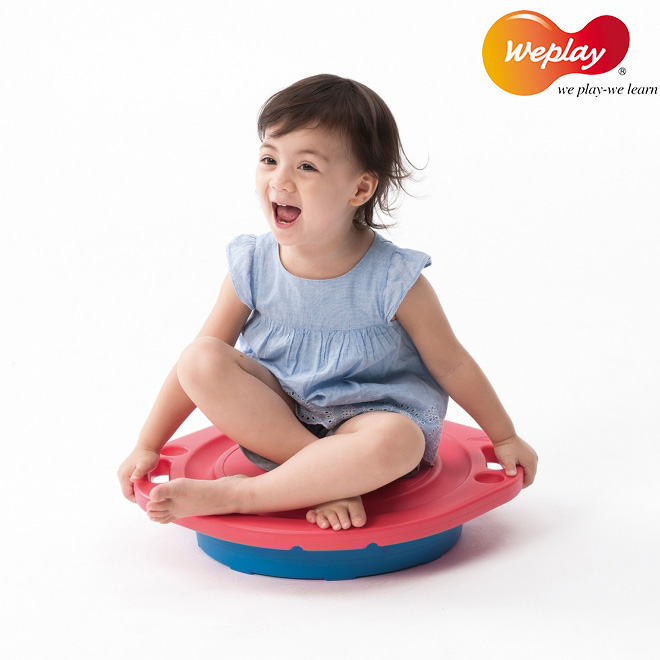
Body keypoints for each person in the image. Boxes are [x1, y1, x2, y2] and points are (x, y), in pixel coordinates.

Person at [117, 74, 538, 531]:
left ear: (359, 190)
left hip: (370, 421)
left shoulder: (395, 279)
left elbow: (452, 364)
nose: (279, 180)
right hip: (279, 420)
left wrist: (504, 436)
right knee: (199, 358)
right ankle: (326, 476)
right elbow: (194, 370)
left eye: (306, 167)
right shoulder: (253, 264)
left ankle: (242, 495)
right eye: (269, 159)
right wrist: (148, 444)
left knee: (398, 439)